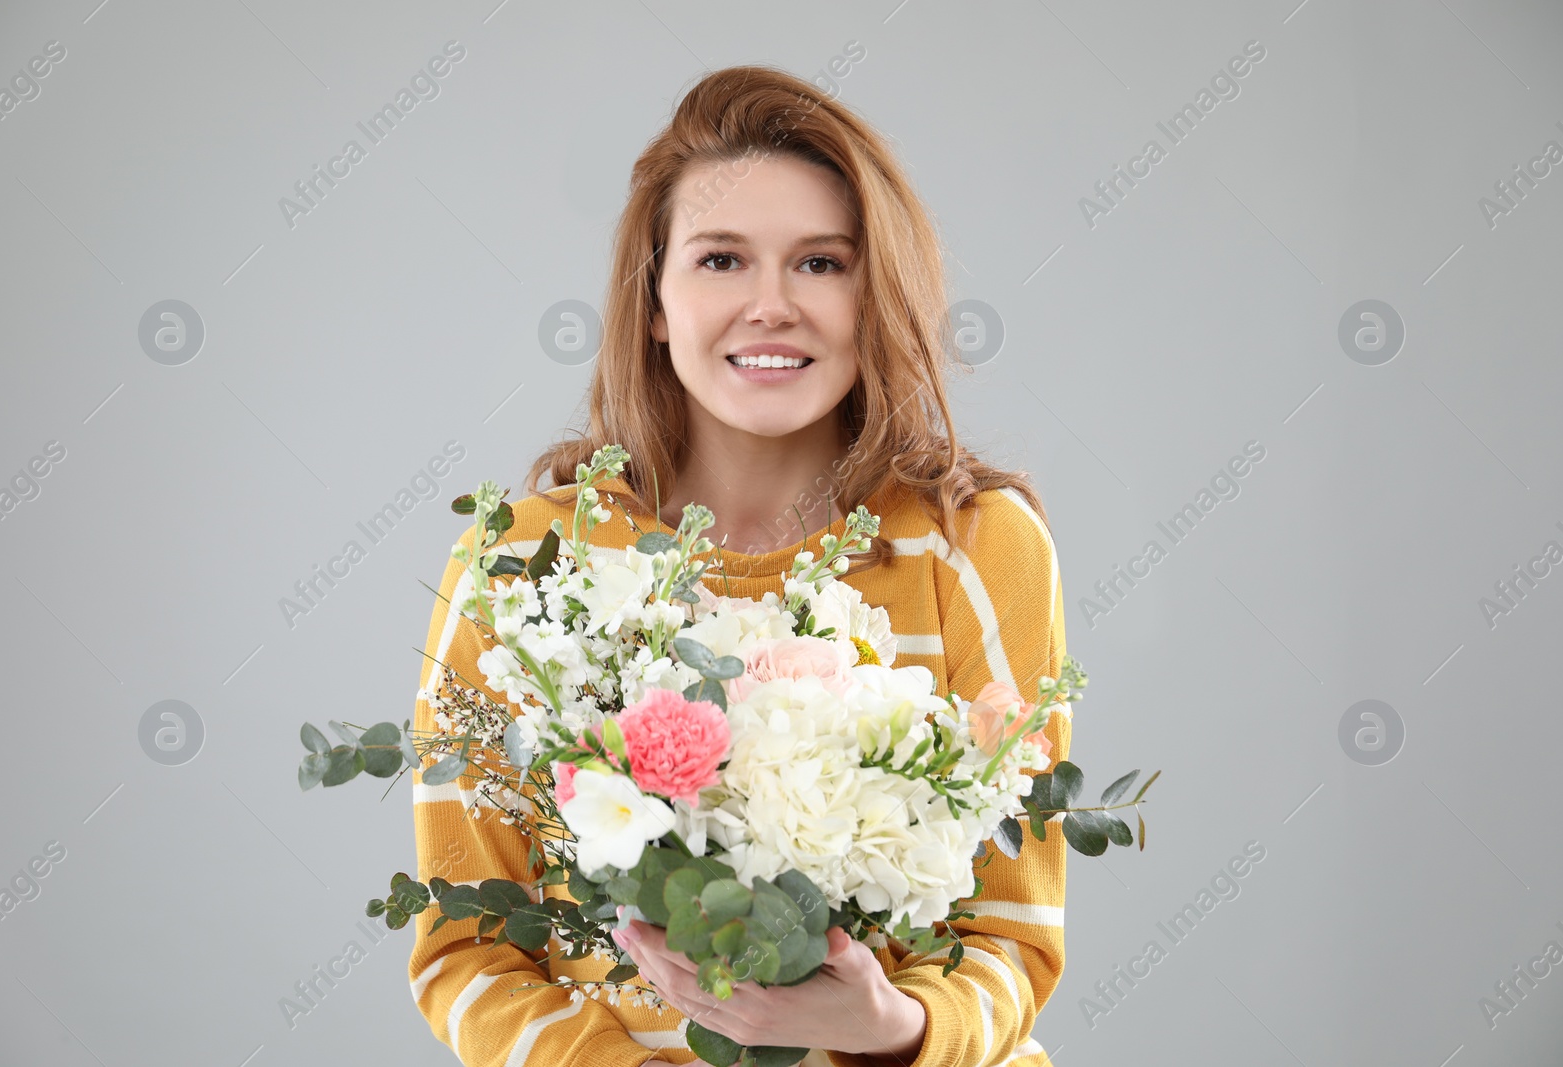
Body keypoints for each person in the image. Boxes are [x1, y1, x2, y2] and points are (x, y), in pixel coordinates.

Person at [408, 65, 1070, 1067]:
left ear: (873, 292)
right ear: (656, 301)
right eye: (721, 260)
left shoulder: (975, 544)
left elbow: (1013, 940)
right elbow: (466, 945)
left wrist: (892, 1027)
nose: (771, 305)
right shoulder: (519, 563)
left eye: (821, 264)